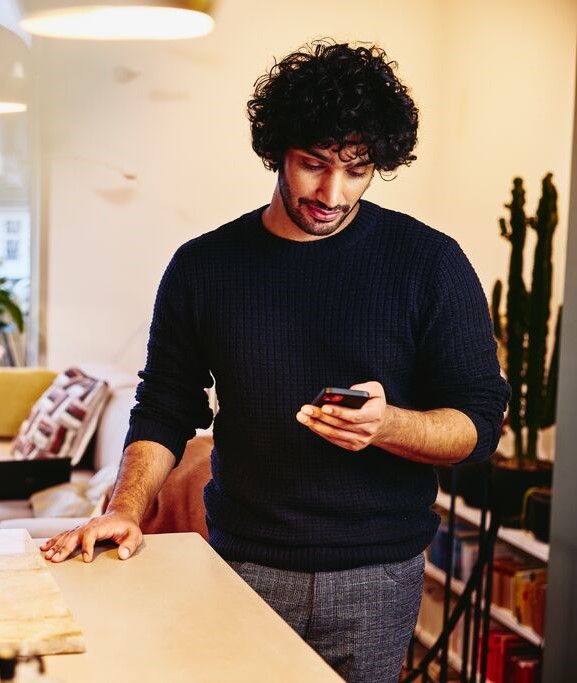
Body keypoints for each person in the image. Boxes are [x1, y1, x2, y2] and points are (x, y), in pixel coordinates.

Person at [42, 40, 510, 682]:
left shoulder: (429, 263)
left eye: (357, 168)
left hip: (376, 576)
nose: (332, 191)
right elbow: (164, 406)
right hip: (241, 560)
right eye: (312, 164)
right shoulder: (204, 267)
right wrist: (125, 507)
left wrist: (389, 426)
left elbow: (479, 424)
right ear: (276, 152)